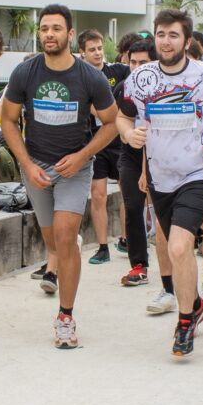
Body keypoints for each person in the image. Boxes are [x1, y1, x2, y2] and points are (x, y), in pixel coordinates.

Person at [117, 9, 203, 357]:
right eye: (161, 34)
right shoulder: (140, 78)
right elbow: (122, 115)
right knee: (176, 248)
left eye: (173, 35)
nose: (166, 41)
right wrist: (129, 135)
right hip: (161, 177)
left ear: (187, 41)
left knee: (177, 247)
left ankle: (185, 321)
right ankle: (196, 305)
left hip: (199, 173)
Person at [1, 4, 118, 349]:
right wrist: (26, 163)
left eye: (56, 28)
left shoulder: (90, 77)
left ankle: (65, 316)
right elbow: (7, 120)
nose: (48, 34)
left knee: (65, 238)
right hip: (36, 167)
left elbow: (111, 123)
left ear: (70, 35)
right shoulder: (26, 73)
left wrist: (82, 156)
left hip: (74, 169)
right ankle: (67, 252)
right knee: (52, 242)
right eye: (44, 28)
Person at [78, 29, 130, 265]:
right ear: (82, 53)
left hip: (120, 142)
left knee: (126, 193)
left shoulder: (117, 71)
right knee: (97, 195)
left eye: (100, 48)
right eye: (92, 50)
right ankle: (102, 247)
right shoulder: (80, 77)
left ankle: (126, 239)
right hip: (95, 143)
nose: (98, 53)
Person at [116, 37, 158, 289]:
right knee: (133, 207)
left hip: (162, 157)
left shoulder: (165, 87)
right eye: (133, 62)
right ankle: (139, 264)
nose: (137, 67)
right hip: (130, 155)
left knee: (165, 213)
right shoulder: (123, 87)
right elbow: (118, 122)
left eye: (143, 62)